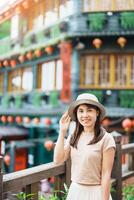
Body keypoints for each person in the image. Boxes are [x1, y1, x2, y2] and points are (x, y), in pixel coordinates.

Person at [54, 93, 116, 200]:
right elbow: (58, 160)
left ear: (97, 112)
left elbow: (106, 174)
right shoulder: (74, 136)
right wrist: (62, 131)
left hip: (96, 192)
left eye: (89, 110)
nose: (85, 115)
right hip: (75, 191)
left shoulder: (106, 139)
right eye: (81, 111)